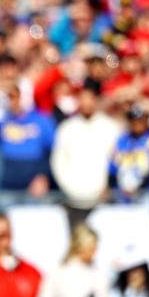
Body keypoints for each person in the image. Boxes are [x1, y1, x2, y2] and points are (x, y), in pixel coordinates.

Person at [50, 79, 121, 208]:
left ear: (96, 100)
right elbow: (59, 162)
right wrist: (70, 188)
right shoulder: (66, 128)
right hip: (73, 197)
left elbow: (116, 160)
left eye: (90, 98)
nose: (86, 103)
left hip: (103, 198)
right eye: (83, 98)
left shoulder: (111, 128)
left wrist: (108, 186)